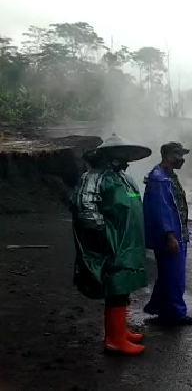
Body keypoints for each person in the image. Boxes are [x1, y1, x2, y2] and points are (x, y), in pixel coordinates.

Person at [70, 133, 152, 355]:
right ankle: (114, 339)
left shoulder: (122, 177)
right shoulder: (93, 177)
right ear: (109, 155)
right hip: (112, 243)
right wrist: (103, 237)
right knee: (115, 288)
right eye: (122, 154)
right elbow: (83, 206)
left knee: (123, 285)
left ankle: (120, 331)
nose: (125, 159)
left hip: (129, 242)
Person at [142, 142, 192, 326]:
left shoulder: (168, 175)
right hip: (170, 235)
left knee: (168, 274)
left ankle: (160, 308)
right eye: (179, 156)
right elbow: (161, 210)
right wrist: (170, 236)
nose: (182, 160)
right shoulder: (160, 179)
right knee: (174, 276)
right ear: (168, 156)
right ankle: (176, 314)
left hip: (177, 232)